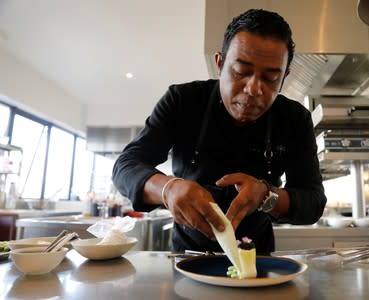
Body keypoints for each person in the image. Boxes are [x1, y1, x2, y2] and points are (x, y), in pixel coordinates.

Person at [112, 9, 327, 254]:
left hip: (257, 256)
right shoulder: (183, 101)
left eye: (270, 78)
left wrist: (267, 196)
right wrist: (168, 188)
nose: (253, 89)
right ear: (220, 63)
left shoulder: (295, 119)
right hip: (188, 254)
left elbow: (314, 202)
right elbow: (126, 165)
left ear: (284, 77)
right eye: (241, 71)